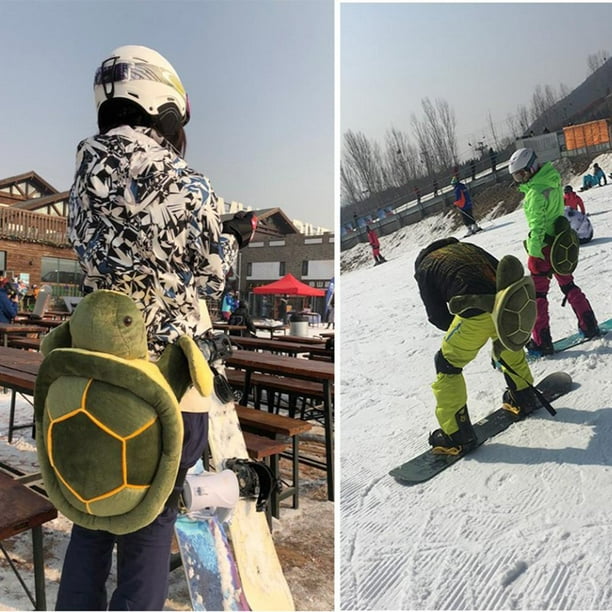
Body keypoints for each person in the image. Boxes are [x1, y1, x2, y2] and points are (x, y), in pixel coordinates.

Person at [60, 45, 260, 610]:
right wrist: (235, 235)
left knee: (95, 514)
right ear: (160, 97)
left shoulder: (82, 176)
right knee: (150, 523)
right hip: (164, 382)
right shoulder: (174, 173)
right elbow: (211, 272)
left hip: (97, 371)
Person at [414, 238, 538, 453]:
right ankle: (524, 395)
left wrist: (457, 330)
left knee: (447, 363)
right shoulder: (467, 247)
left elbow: (437, 315)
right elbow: (503, 272)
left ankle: (456, 433)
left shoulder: (425, 267)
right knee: (506, 344)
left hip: (473, 311)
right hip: (504, 305)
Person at [508, 147, 599, 354]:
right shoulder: (552, 178)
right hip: (559, 245)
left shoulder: (533, 194)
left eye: (521, 174)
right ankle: (589, 324)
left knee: (538, 294)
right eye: (516, 176)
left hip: (543, 249)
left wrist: (533, 253)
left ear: (531, 168)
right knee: (568, 285)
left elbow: (537, 227)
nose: (519, 179)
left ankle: (542, 341)